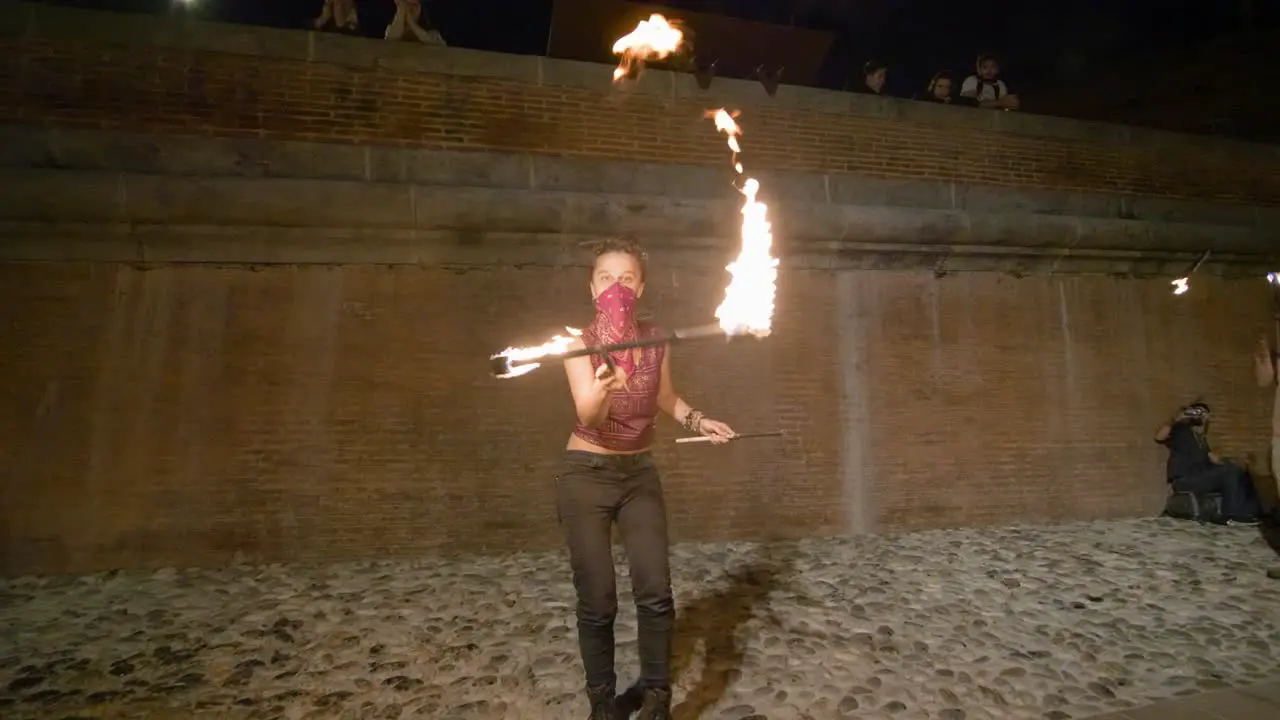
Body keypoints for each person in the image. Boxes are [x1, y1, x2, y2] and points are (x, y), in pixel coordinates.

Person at [558, 237, 736, 720]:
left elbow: (665, 396)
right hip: (586, 476)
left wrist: (699, 420)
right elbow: (589, 417)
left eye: (627, 278)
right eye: (605, 278)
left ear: (641, 286)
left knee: (655, 592)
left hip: (639, 474)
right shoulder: (578, 344)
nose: (616, 286)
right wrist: (603, 388)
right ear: (592, 288)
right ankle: (603, 705)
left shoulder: (654, 338)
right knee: (597, 600)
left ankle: (657, 697)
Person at [1154, 402, 1261, 526]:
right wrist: (1176, 418)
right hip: (1184, 480)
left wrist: (1236, 461)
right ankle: (1231, 516)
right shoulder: (1180, 430)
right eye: (1197, 412)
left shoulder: (1202, 440)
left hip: (1201, 478)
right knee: (1229, 471)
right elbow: (1159, 437)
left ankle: (1250, 513)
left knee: (1241, 471)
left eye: (1204, 414)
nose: (1200, 416)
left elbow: (1215, 459)